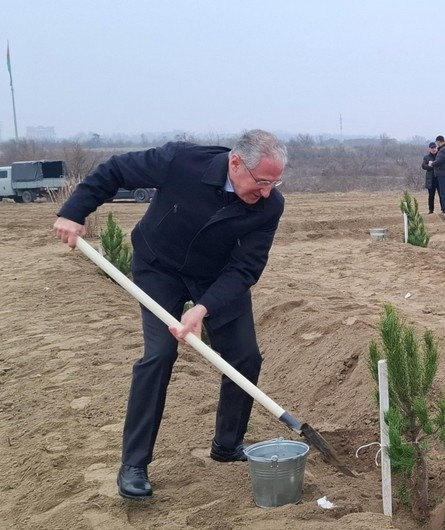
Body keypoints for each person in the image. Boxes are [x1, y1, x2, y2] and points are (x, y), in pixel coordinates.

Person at [53, 130, 287, 499]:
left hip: (216, 276)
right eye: (262, 182)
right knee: (159, 354)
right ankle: (134, 464)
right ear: (236, 163)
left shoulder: (269, 206)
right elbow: (115, 171)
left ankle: (227, 446)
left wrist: (203, 308)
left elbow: (246, 267)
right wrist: (73, 211)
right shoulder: (181, 161)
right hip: (159, 266)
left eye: (275, 182)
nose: (267, 192)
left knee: (245, 356)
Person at [433, 135, 445, 214]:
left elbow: (439, 161)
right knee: (442, 192)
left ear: (439, 141)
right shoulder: (443, 149)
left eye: (437, 143)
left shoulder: (444, 150)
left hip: (443, 174)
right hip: (442, 173)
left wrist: (432, 163)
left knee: (443, 193)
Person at [422, 142, 438, 214]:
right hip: (430, 179)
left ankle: (443, 209)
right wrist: (430, 166)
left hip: (438, 178)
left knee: (442, 194)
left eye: (435, 147)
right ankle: (431, 210)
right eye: (432, 148)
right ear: (429, 149)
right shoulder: (427, 157)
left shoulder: (439, 156)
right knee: (431, 196)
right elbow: (423, 166)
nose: (434, 149)